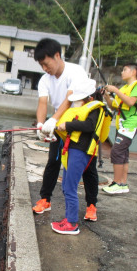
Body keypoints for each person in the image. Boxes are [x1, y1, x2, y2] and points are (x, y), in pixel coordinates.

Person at [32, 38, 99, 222]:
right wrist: (40, 124)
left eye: (46, 63)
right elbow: (42, 103)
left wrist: (53, 119)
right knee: (53, 161)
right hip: (60, 129)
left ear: (57, 56)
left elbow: (70, 99)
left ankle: (92, 205)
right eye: (41, 65)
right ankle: (45, 199)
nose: (45, 68)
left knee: (87, 167)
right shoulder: (45, 80)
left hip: (80, 126)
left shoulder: (75, 71)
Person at [51, 79, 111, 235]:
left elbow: (90, 126)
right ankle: (68, 219)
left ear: (89, 98)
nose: (75, 102)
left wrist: (68, 125)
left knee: (70, 187)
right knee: (66, 186)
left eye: (77, 99)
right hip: (72, 150)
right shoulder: (83, 108)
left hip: (81, 151)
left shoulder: (95, 109)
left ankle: (71, 223)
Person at [102, 62, 137, 194]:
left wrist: (115, 90)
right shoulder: (124, 88)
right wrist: (107, 95)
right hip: (121, 124)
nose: (122, 72)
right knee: (123, 153)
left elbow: (131, 102)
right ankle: (122, 183)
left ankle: (116, 183)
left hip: (130, 124)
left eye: (125, 70)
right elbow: (113, 106)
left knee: (116, 152)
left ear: (134, 72)